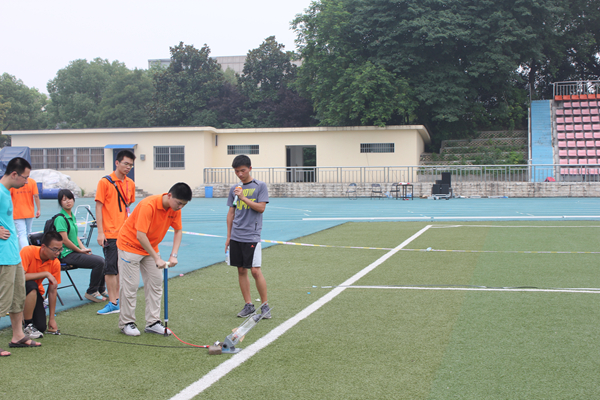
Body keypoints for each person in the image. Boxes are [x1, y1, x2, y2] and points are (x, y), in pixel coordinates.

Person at [117, 182, 192, 336]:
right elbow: (140, 235)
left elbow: (178, 231)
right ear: (169, 195)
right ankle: (127, 322)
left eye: (184, 205)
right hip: (129, 245)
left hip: (150, 246)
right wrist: (157, 258)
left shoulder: (174, 208)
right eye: (179, 203)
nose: (180, 207)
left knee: (156, 283)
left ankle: (152, 322)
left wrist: (174, 255)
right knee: (130, 286)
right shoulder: (148, 205)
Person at [0, 157, 42, 356]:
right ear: (14, 174)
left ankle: (17, 335)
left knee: (18, 297)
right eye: (24, 177)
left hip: (12, 254)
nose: (26, 182)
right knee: (2, 300)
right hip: (2, 257)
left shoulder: (8, 192)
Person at [225, 155, 271, 319]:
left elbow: (261, 208)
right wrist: (229, 236)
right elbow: (231, 212)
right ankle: (248, 305)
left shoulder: (260, 186)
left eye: (243, 170)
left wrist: (244, 197)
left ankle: (265, 306)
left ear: (250, 169)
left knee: (255, 271)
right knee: (241, 270)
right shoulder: (234, 189)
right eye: (237, 171)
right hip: (236, 235)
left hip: (252, 235)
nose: (240, 174)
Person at [95, 150, 136, 315]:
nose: (128, 167)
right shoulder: (105, 182)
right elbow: (99, 207)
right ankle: (113, 301)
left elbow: (128, 206)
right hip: (110, 233)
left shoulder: (130, 184)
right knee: (110, 268)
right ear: (117, 163)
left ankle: (118, 300)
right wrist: (100, 232)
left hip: (125, 233)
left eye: (131, 165)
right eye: (126, 163)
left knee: (121, 268)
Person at [54, 188, 106, 303]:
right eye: (64, 200)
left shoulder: (71, 216)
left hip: (74, 252)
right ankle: (91, 291)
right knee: (99, 262)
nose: (68, 201)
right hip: (66, 254)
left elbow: (75, 236)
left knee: (102, 260)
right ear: (60, 202)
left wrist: (83, 248)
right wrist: (79, 250)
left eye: (70, 199)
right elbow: (65, 240)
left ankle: (101, 289)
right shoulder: (60, 218)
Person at [21, 231, 63, 339]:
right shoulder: (28, 251)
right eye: (54, 249)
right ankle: (28, 325)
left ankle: (24, 316)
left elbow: (53, 291)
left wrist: (52, 319)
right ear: (43, 246)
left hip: (35, 293)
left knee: (41, 327)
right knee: (31, 286)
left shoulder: (55, 263)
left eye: (60, 249)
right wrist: (45, 273)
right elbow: (19, 277)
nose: (57, 253)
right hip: (17, 289)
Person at [10, 176, 41, 248]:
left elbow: (9, 196)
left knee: (22, 234)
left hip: (17, 212)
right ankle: (29, 250)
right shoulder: (32, 182)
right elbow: (36, 196)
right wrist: (38, 209)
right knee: (28, 232)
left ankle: (26, 251)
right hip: (29, 211)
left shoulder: (14, 182)